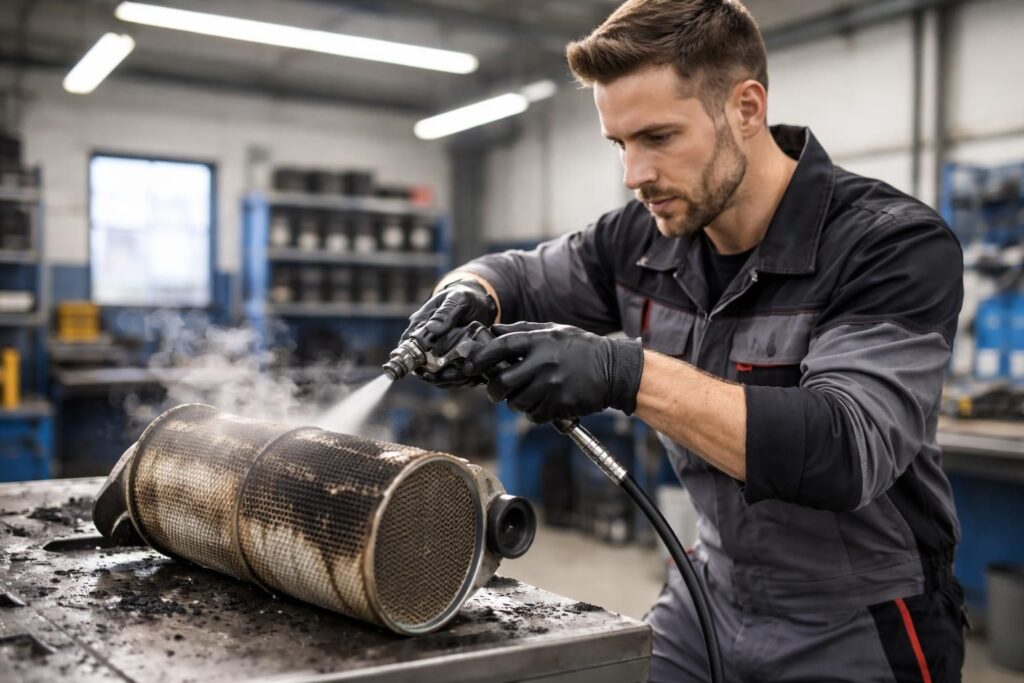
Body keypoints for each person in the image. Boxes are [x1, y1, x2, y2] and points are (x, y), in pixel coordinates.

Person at [400, 0, 966, 680]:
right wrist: (465, 292)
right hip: (711, 591)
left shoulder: (888, 245)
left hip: (858, 618)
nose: (634, 175)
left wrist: (624, 372)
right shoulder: (641, 240)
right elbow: (517, 273)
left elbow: (845, 448)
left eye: (658, 137)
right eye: (620, 145)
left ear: (746, 109)